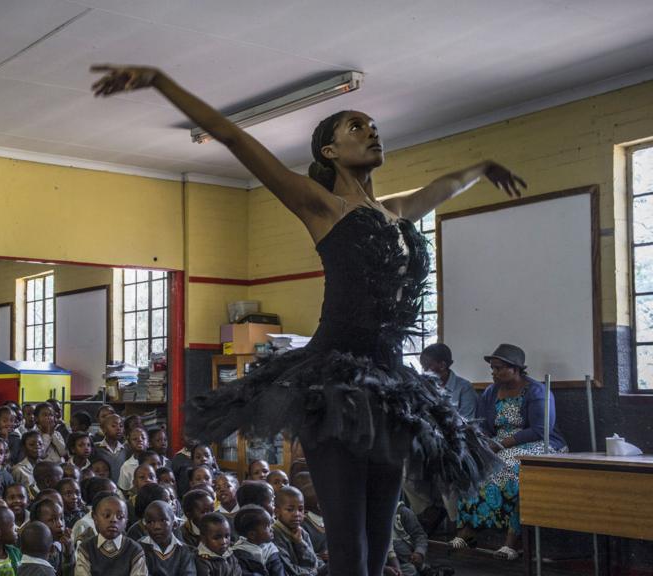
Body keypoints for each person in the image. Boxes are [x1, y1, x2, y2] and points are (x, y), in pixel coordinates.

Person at [91, 65, 522, 576]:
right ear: (329, 152)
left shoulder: (398, 211)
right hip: (333, 383)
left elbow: (445, 185)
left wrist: (482, 167)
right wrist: (160, 81)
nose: (372, 131)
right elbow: (232, 136)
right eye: (357, 126)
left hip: (392, 388)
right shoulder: (321, 205)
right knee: (348, 544)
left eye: (373, 124)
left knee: (380, 538)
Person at [453, 343, 567, 561]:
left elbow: (540, 430)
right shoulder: (490, 391)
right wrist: (483, 441)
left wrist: (501, 444)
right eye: (493, 369)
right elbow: (483, 424)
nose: (494, 373)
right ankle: (467, 531)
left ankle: (511, 542)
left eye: (499, 368)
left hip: (539, 443)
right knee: (471, 469)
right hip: (499, 443)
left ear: (515, 369)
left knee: (509, 472)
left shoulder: (537, 392)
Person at [74, 494, 147, 576]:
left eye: (120, 517)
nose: (113, 520)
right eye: (106, 515)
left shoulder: (135, 550)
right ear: (95, 518)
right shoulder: (86, 548)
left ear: (126, 522)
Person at [231, 505, 285, 576]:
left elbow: (279, 571)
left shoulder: (271, 549)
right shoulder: (238, 554)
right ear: (252, 535)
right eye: (267, 527)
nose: (271, 529)